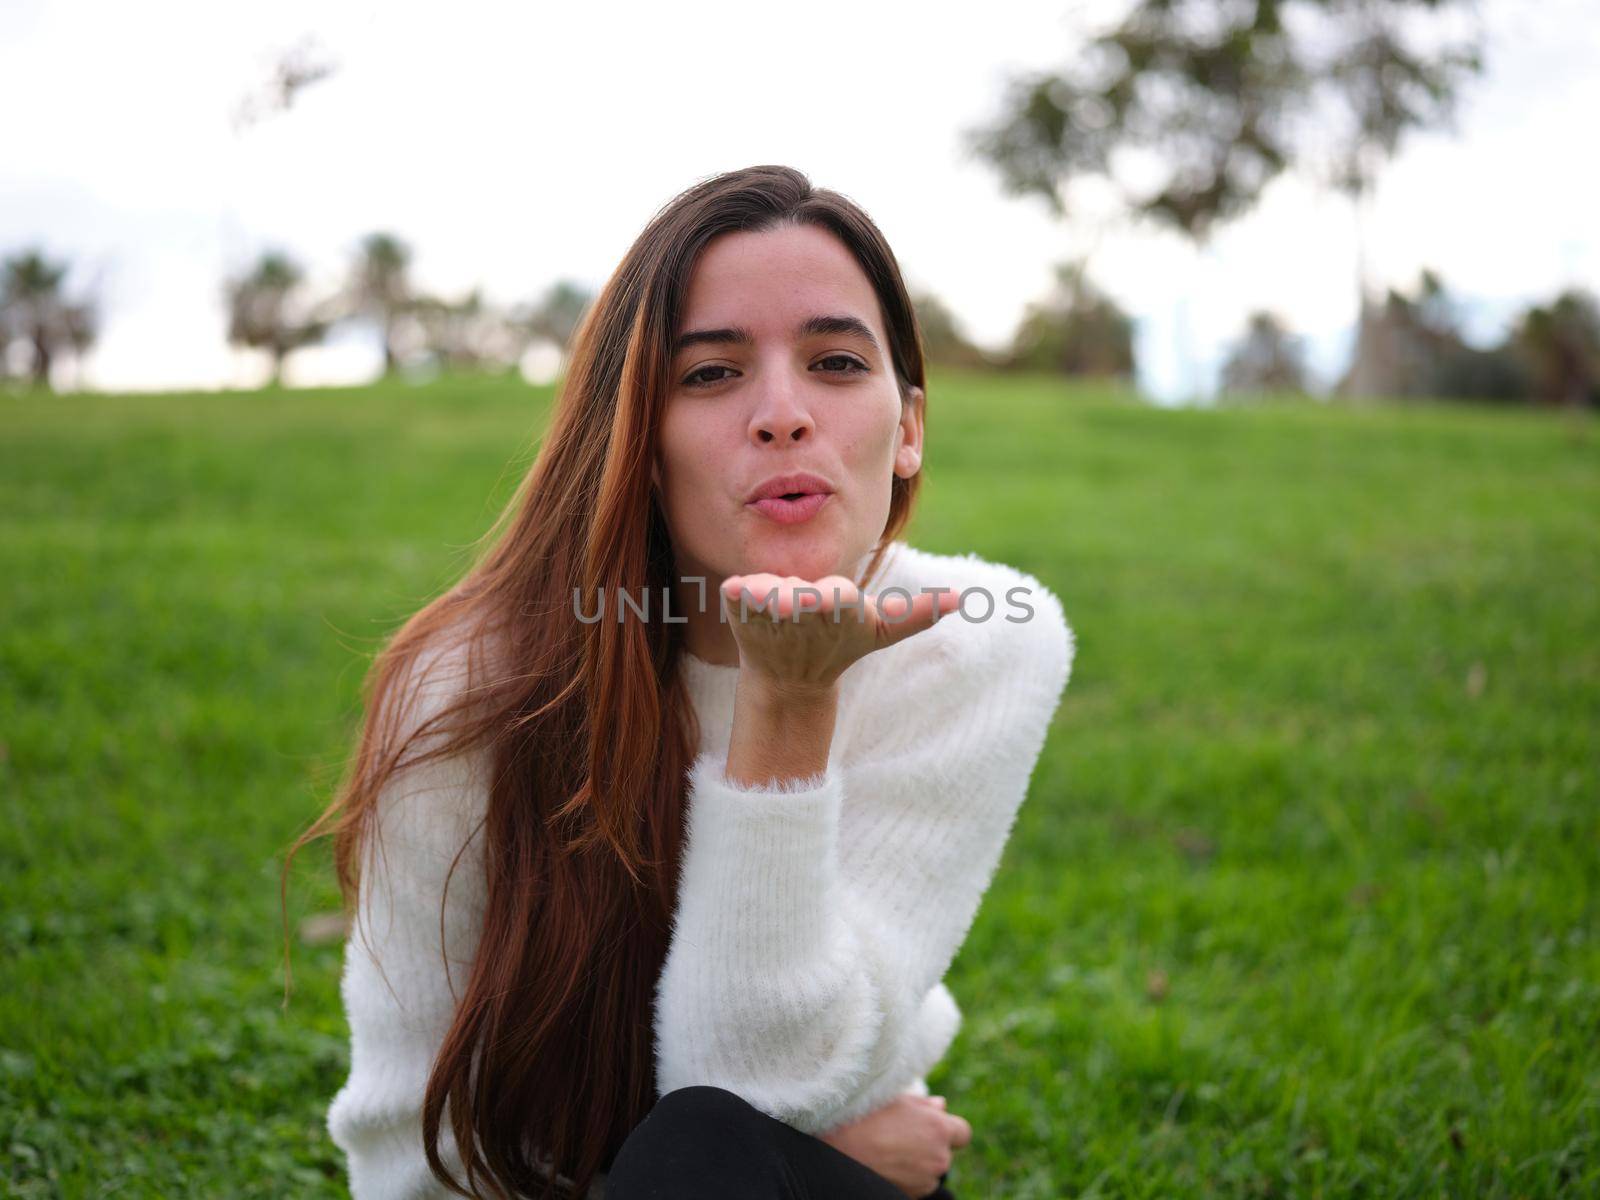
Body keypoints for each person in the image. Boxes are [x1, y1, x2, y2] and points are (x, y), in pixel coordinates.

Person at [287, 164, 1075, 1200]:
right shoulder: (468, 687)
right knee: (695, 1152)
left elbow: (765, 1085)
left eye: (836, 362)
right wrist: (806, 1152)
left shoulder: (975, 644)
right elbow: (411, 1165)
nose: (783, 414)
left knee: (703, 1141)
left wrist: (790, 713)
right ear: (637, 442)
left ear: (910, 427)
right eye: (709, 375)